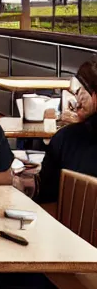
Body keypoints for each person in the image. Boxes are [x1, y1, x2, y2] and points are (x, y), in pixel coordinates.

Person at [36, 57, 97, 204]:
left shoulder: (65, 138)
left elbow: (45, 194)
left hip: (69, 225)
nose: (76, 96)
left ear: (94, 95)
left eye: (79, 90)